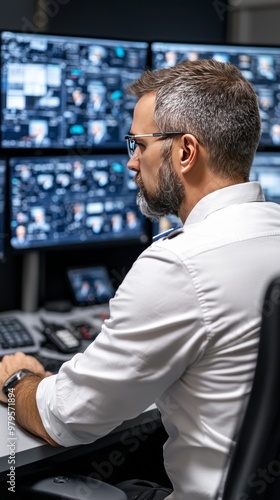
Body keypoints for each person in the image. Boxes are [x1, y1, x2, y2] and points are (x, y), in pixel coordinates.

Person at [1, 59, 280, 500]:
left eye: (139, 144)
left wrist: (17, 381)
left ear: (185, 152)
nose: (132, 162)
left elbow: (68, 418)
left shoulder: (180, 264)